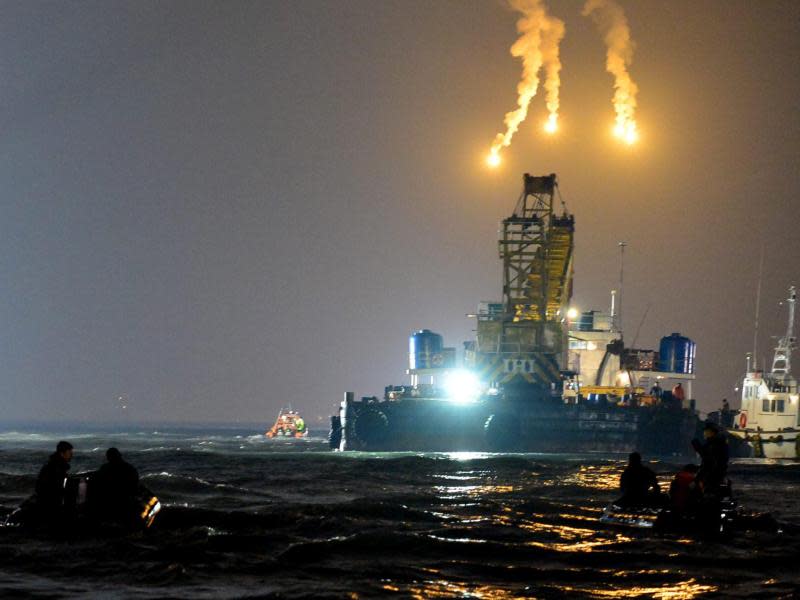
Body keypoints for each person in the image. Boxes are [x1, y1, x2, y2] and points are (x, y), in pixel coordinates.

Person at [91, 447, 139, 521]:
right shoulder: (129, 468)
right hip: (126, 500)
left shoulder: (105, 468)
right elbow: (134, 485)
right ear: (119, 456)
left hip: (109, 501)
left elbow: (98, 483)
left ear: (108, 458)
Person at [34, 441, 74, 525]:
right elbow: (56, 487)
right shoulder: (57, 467)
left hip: (44, 499)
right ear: (62, 454)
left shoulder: (53, 464)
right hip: (50, 501)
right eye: (69, 452)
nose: (71, 455)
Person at [691, 422, 729, 494]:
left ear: (712, 432)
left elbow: (708, 462)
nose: (704, 433)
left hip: (712, 476)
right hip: (718, 474)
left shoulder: (714, 444)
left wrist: (697, 480)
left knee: (709, 494)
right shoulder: (718, 443)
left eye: (706, 431)